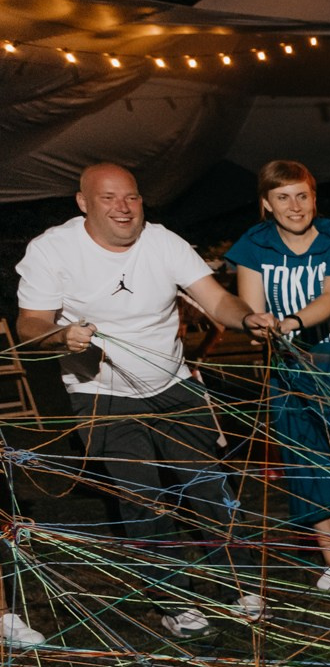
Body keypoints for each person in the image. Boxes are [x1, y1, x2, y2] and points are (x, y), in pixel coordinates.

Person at [15, 163, 268, 637]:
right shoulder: (52, 250)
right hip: (102, 393)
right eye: (109, 198)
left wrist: (247, 318)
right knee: (144, 498)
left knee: (207, 486)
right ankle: (174, 602)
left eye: (131, 197)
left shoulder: (163, 241)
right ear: (83, 203)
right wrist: (60, 334)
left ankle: (239, 585)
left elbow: (216, 300)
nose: (123, 208)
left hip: (174, 386)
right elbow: (30, 324)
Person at [226, 159, 330, 596]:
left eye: (302, 195)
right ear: (267, 203)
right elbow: (250, 306)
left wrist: (290, 324)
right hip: (291, 372)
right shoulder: (254, 244)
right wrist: (257, 323)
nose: (295, 206)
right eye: (283, 197)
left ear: (314, 198)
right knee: (308, 461)